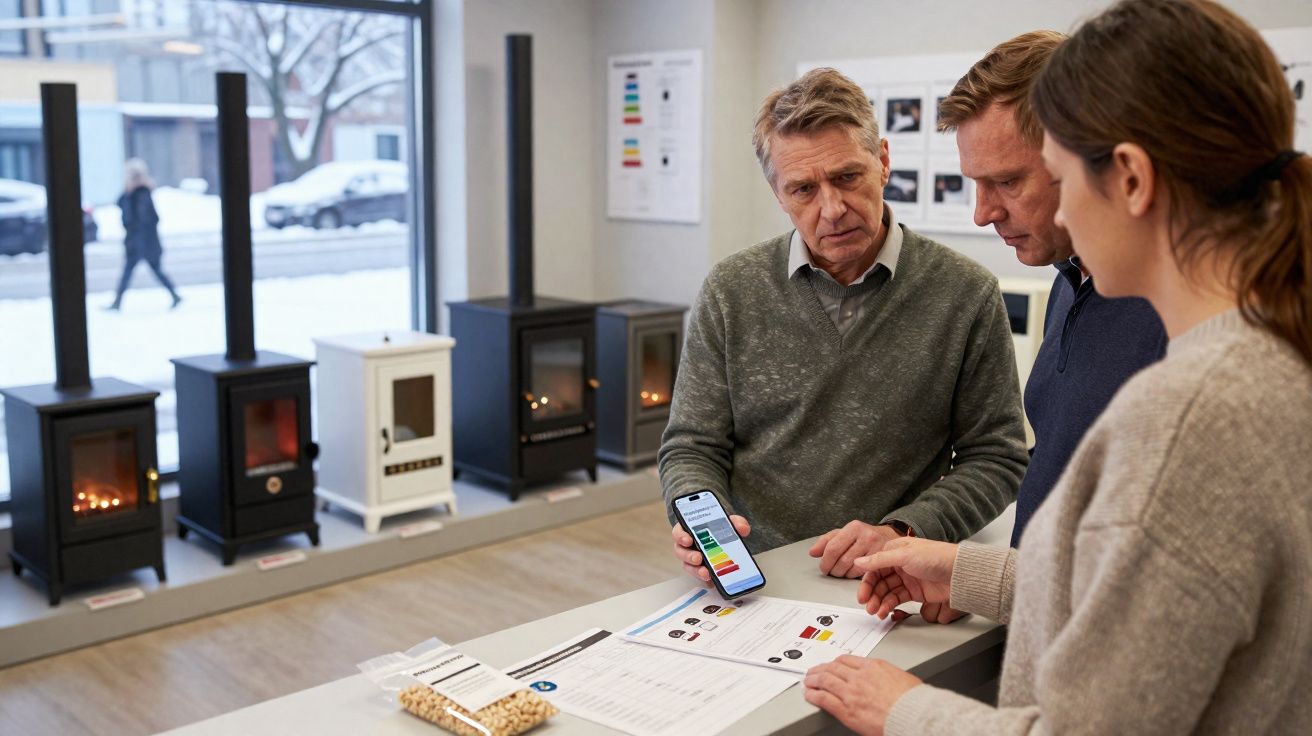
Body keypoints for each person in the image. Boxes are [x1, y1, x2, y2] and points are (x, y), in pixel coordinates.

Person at [803, 1, 1312, 732]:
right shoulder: (1267, 350)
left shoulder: (1188, 413)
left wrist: (901, 709)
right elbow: (1141, 589)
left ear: (1130, 179)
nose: (1057, 212)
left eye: (1060, 177)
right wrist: (963, 570)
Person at [659, 68, 1028, 587]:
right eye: (803, 189)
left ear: (883, 161)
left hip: (896, 578)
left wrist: (903, 531)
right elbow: (691, 446)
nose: (831, 209)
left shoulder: (965, 293)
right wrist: (700, 516)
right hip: (753, 575)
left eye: (848, 177)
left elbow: (996, 457)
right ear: (778, 194)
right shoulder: (730, 290)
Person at [937, 31, 1167, 546]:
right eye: (975, 183)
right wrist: (976, 576)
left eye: (1007, 182)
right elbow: (1060, 473)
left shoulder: (1180, 310)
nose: (982, 214)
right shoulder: (1069, 281)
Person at [107, 158, 182, 311]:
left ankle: (117, 302)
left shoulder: (141, 194)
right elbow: (120, 204)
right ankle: (174, 295)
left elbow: (141, 220)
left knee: (132, 272)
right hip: (140, 242)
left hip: (142, 243)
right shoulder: (132, 194)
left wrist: (137, 242)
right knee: (151, 271)